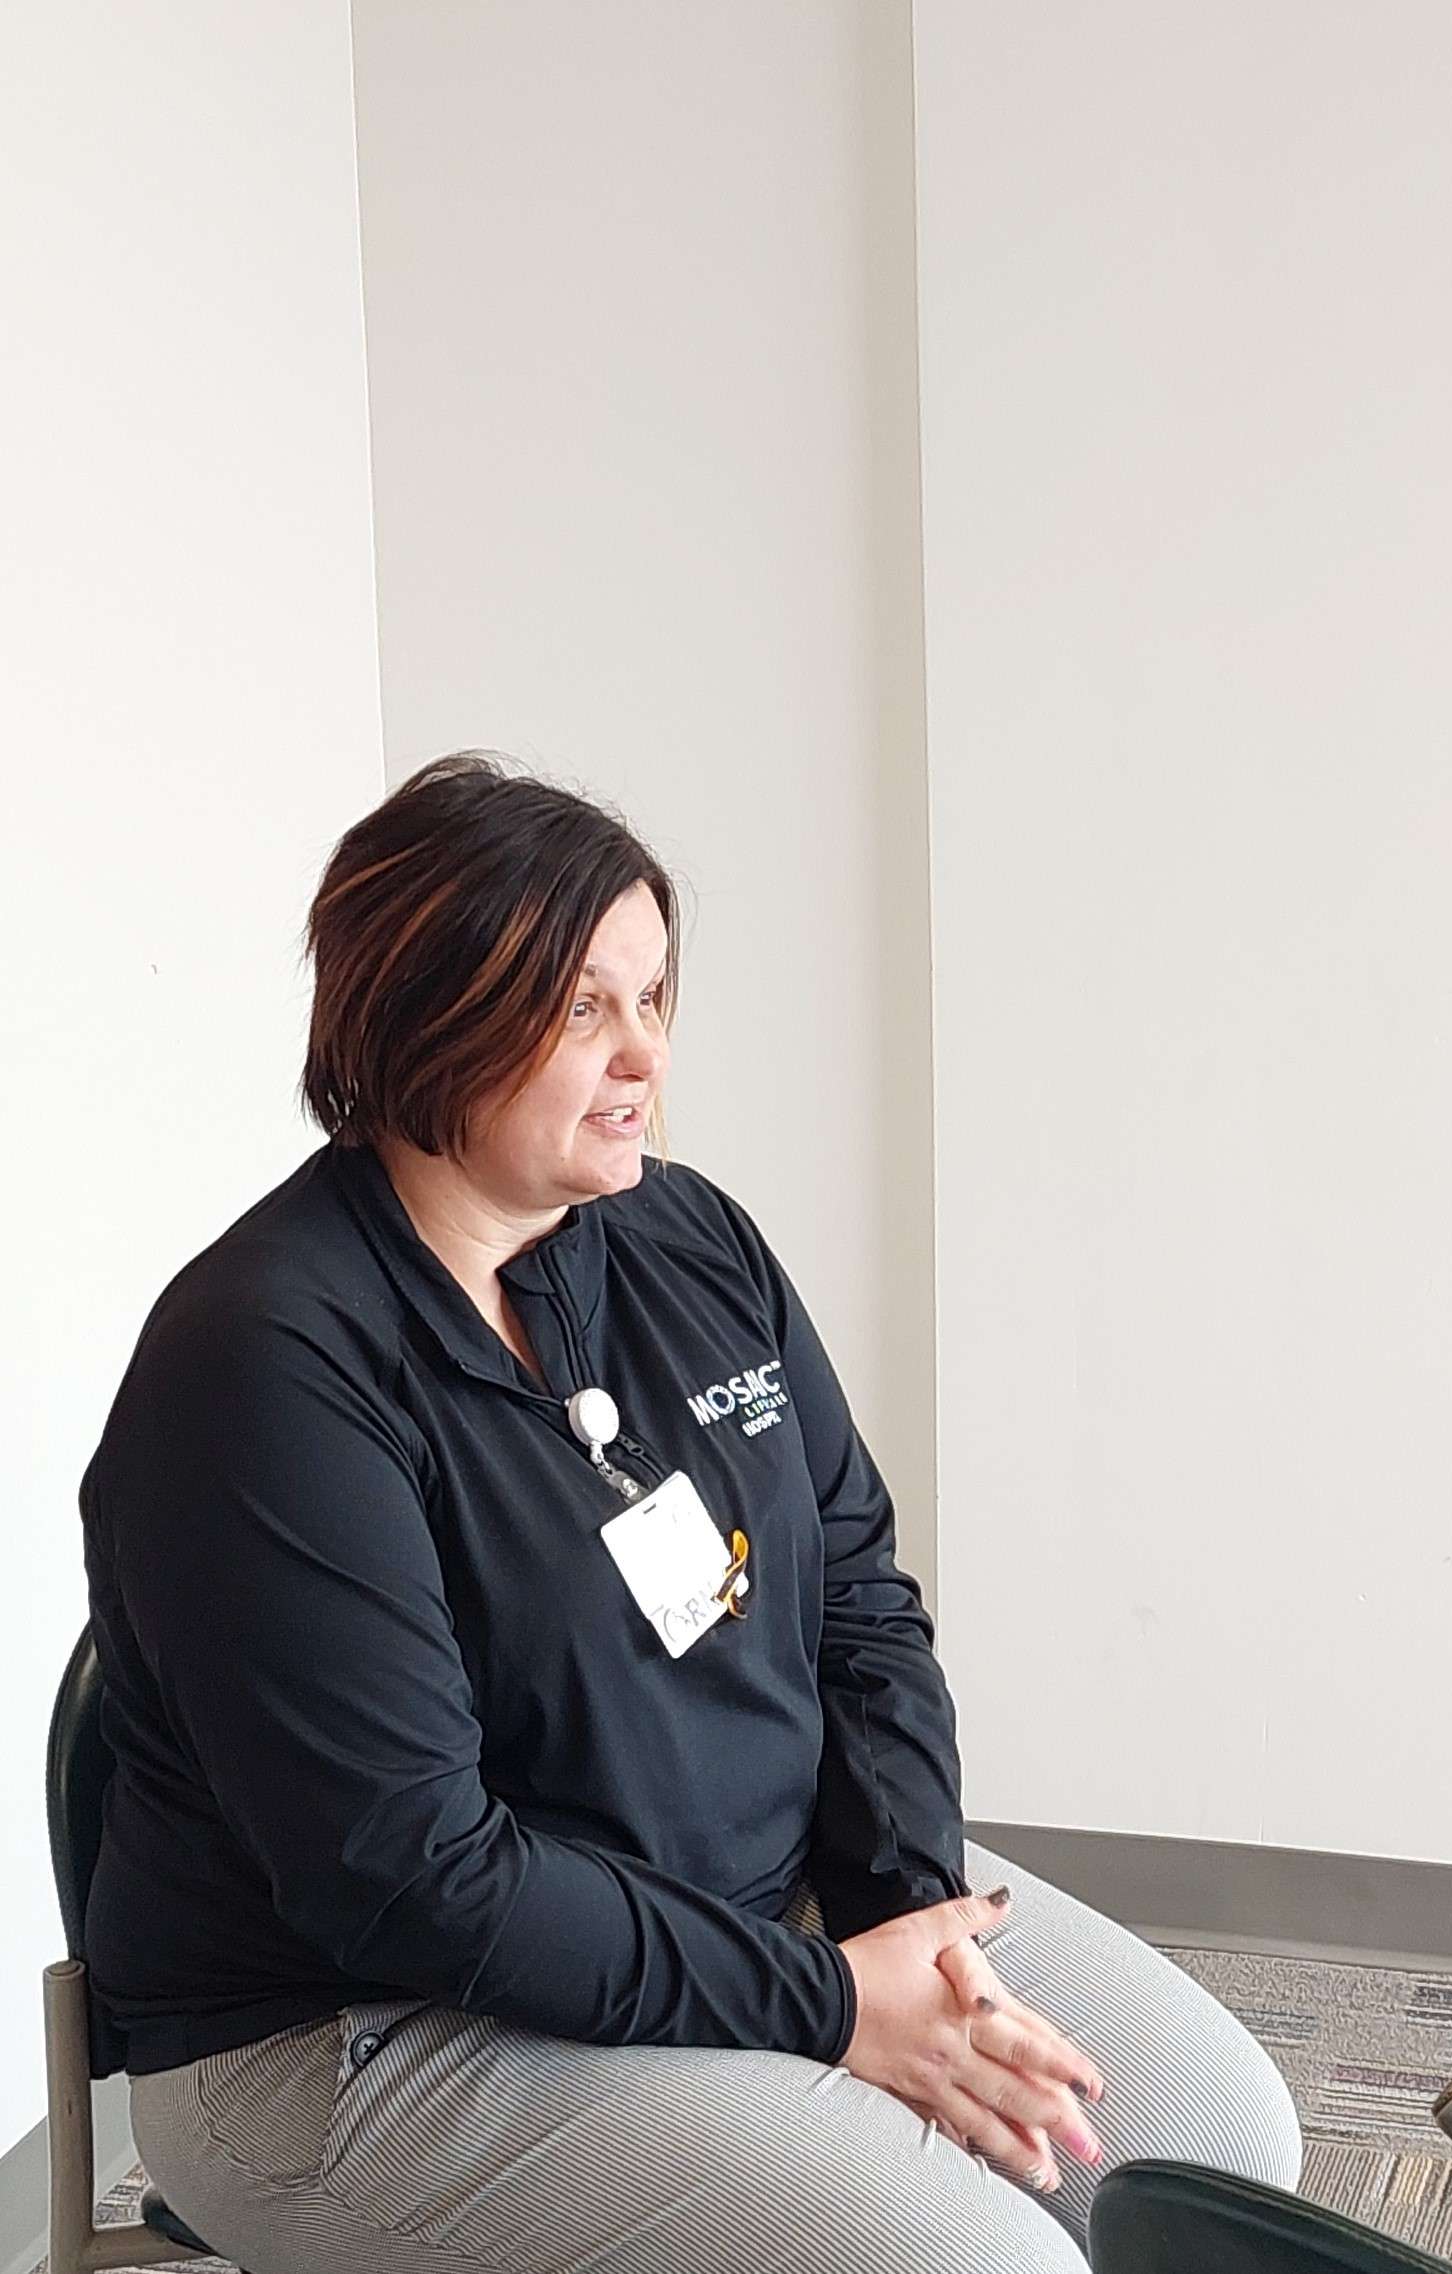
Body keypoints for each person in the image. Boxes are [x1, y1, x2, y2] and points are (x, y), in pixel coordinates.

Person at [81, 756, 1302, 2274]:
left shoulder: (684, 1232)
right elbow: (414, 1877)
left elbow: (853, 1591)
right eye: (581, 1009)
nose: (643, 1056)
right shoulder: (267, 1367)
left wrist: (913, 1910)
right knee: (985, 2265)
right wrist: (836, 2006)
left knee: (1216, 2142)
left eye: (654, 998)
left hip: (748, 1893)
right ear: (421, 1015)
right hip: (364, 2034)